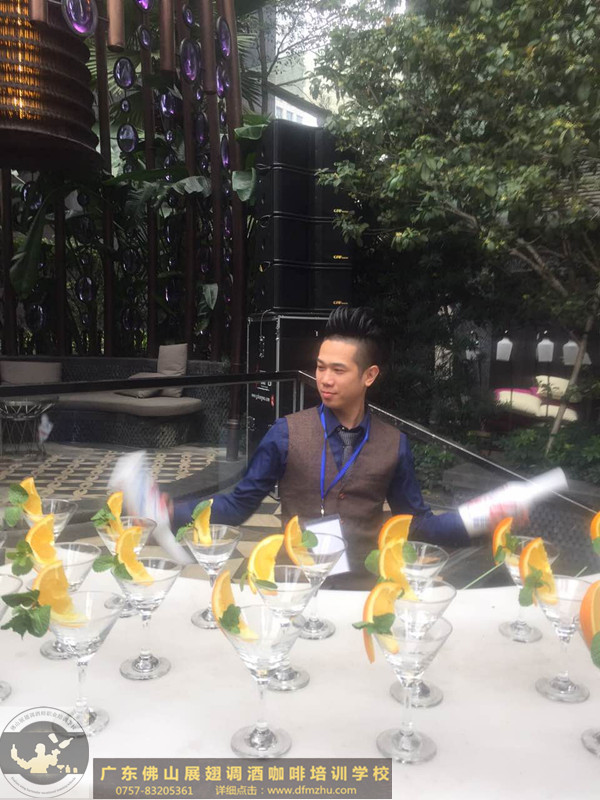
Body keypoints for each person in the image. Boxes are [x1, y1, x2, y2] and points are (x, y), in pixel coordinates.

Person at [175, 307, 474, 587]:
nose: (325, 380)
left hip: (362, 589)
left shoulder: (394, 443)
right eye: (320, 367)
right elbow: (238, 504)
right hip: (295, 583)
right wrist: (168, 511)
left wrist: (482, 517)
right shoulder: (285, 433)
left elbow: (417, 525)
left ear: (369, 375)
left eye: (338, 370)